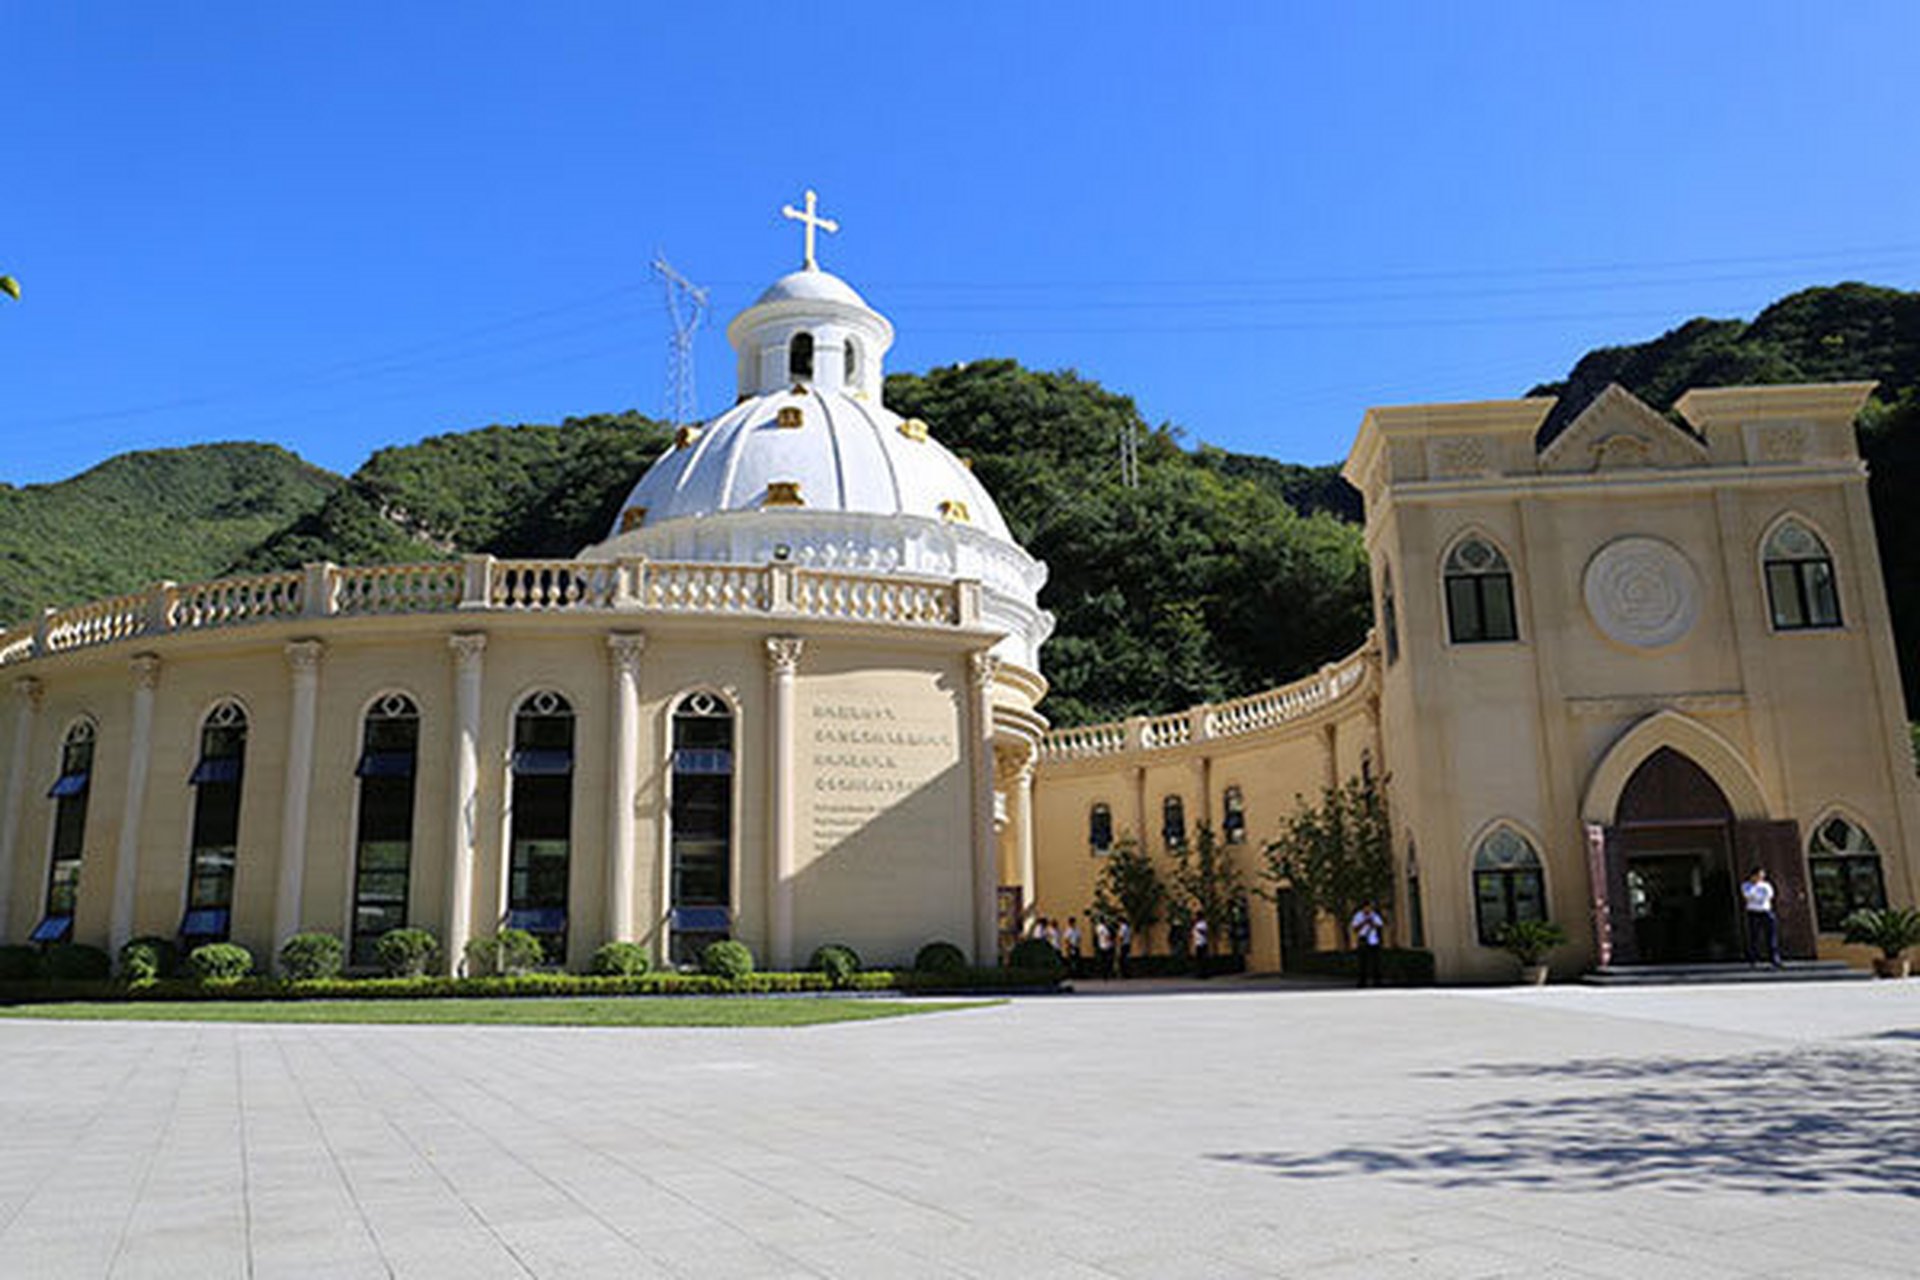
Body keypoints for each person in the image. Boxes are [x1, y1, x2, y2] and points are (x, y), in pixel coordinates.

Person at [1742, 866, 1782, 968]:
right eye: (1759, 875)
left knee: (1771, 935)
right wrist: (1758, 896)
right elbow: (1748, 896)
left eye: (1762, 875)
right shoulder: (1746, 885)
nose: (1761, 877)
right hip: (1753, 912)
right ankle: (1753, 959)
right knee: (1754, 937)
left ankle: (1774, 959)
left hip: (1766, 911)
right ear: (1753, 876)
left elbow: (1769, 896)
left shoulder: (1766, 885)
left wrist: (1757, 897)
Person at [1351, 901, 1386, 988]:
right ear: (1363, 908)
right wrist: (1364, 922)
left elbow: (1380, 926)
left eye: (1369, 907)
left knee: (1376, 962)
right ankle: (1362, 981)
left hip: (1374, 940)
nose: (1368, 909)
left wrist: (1372, 923)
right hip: (1363, 940)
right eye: (1366, 908)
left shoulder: (1374, 915)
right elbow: (1355, 928)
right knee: (1362, 963)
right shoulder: (1358, 916)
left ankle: (1377, 981)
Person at [1190, 914, 1210, 978]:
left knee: (1202, 959)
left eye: (1197, 916)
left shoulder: (1203, 923)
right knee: (1199, 959)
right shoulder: (1196, 924)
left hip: (1202, 943)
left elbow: (1205, 932)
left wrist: (1198, 930)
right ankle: (1199, 973)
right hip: (1198, 943)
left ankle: (1204, 974)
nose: (1195, 917)